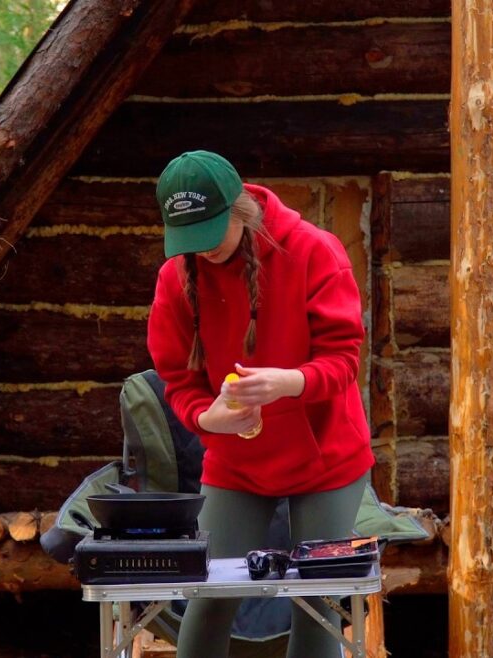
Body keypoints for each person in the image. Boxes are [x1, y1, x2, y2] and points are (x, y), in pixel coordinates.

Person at [146, 150, 375, 658]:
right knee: (209, 596)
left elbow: (343, 360)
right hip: (237, 461)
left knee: (314, 601)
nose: (201, 252)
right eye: (188, 240)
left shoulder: (316, 251)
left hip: (326, 460)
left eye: (209, 234)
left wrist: (288, 382)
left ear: (240, 211)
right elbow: (178, 380)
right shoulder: (176, 278)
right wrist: (210, 417)